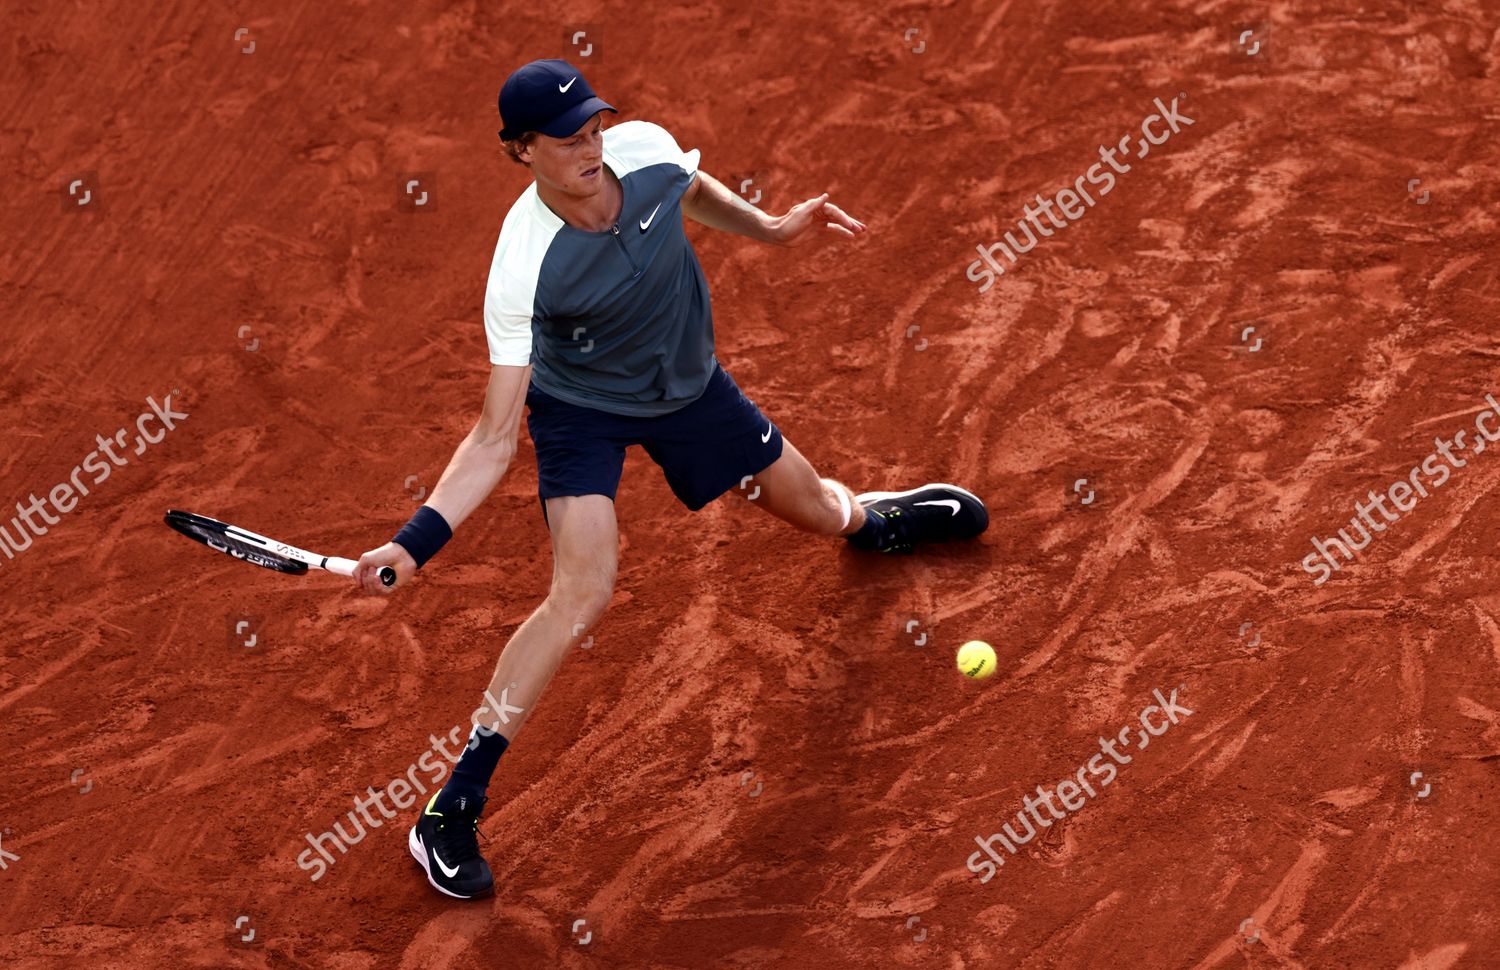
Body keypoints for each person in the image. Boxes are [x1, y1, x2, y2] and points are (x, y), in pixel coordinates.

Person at [353, 59, 989, 899]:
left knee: (817, 506)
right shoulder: (522, 267)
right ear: (519, 152)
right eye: (566, 138)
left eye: (592, 127)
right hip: (582, 414)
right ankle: (452, 806)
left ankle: (868, 522)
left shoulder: (643, 152)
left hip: (691, 391)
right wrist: (415, 542)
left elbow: (690, 192)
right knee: (582, 590)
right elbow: (493, 436)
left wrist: (769, 228)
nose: (590, 146)